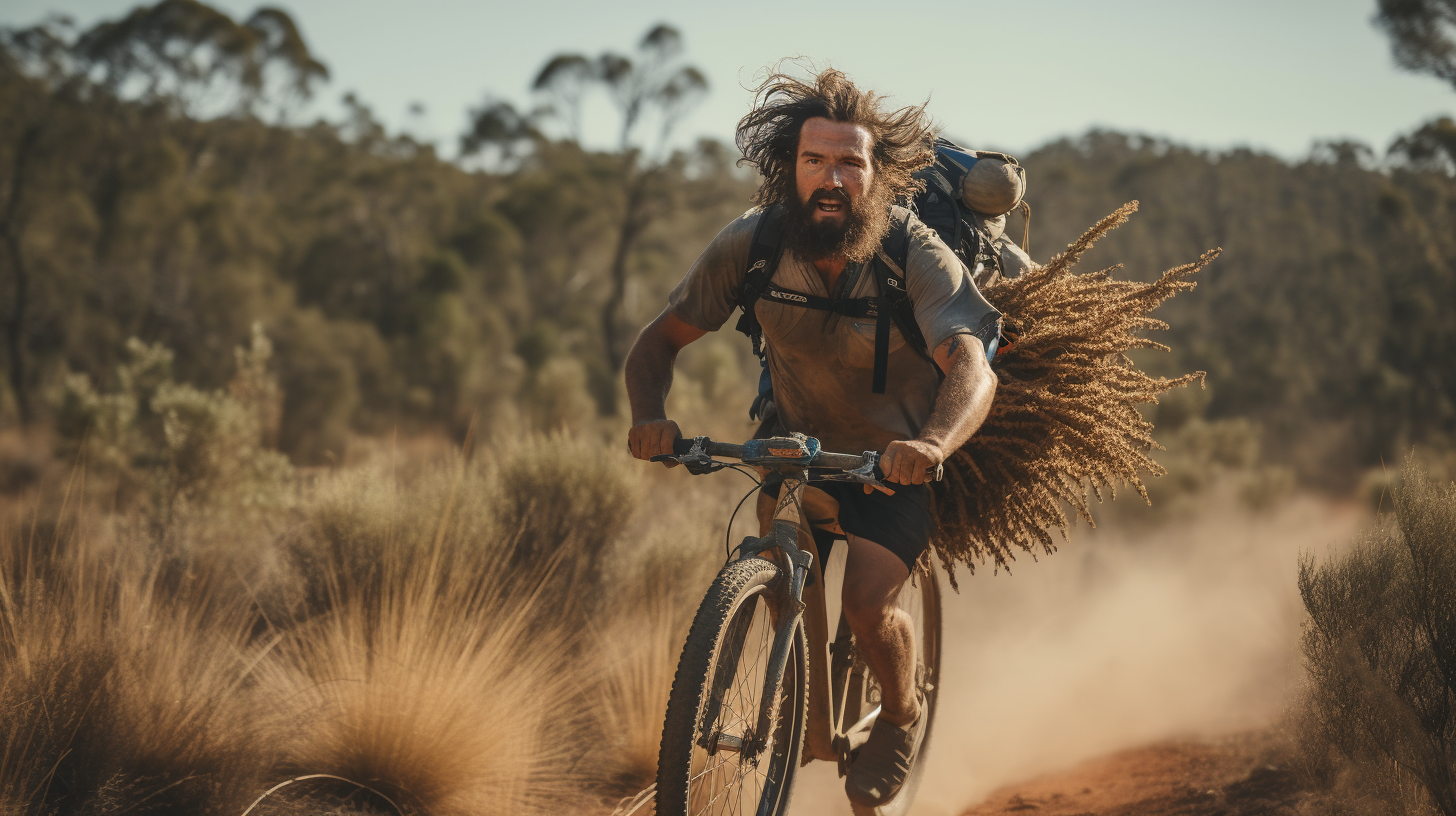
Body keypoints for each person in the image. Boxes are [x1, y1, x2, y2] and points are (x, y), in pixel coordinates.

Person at [623, 68, 999, 807]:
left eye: (850, 163)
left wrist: (931, 444)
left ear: (878, 176)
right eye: (814, 161)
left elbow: (972, 368)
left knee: (867, 604)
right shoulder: (752, 246)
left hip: (894, 461)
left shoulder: (915, 255)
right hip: (793, 446)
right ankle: (800, 716)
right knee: (776, 570)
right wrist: (648, 418)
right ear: (788, 171)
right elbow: (656, 344)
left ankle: (900, 714)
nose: (832, 179)